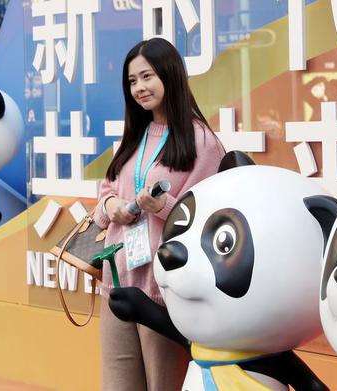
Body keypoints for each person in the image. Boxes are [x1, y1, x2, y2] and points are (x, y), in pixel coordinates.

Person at [93, 37, 225, 391]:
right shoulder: (136, 135)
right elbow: (106, 191)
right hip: (118, 283)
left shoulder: (202, 142)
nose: (139, 88)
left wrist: (162, 207)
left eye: (147, 76)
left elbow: (211, 218)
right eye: (132, 81)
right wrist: (110, 207)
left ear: (169, 75)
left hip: (165, 293)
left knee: (164, 385)